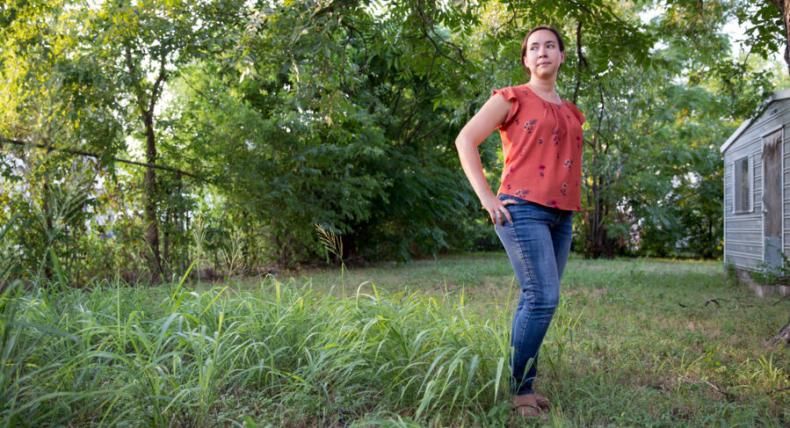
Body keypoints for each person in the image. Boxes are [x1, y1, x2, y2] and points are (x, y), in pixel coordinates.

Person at [454, 26, 585, 418]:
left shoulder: (572, 111)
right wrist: (486, 197)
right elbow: (465, 140)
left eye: (550, 46)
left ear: (562, 56)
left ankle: (522, 382)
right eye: (534, 47)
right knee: (543, 298)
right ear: (526, 60)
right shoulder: (511, 97)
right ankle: (519, 393)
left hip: (561, 215)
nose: (542, 52)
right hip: (521, 208)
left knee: (537, 299)